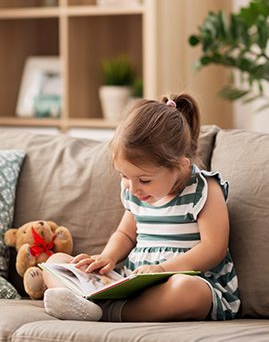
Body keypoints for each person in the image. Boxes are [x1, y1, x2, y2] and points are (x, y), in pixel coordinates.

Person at [42, 93, 240, 322]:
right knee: (55, 263)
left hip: (181, 282)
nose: (133, 188)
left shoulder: (204, 188)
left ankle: (109, 313)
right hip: (133, 281)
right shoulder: (135, 191)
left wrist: (165, 269)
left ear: (179, 166)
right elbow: (125, 233)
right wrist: (108, 257)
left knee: (188, 289)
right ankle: (91, 302)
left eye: (144, 180)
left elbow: (213, 248)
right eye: (124, 176)